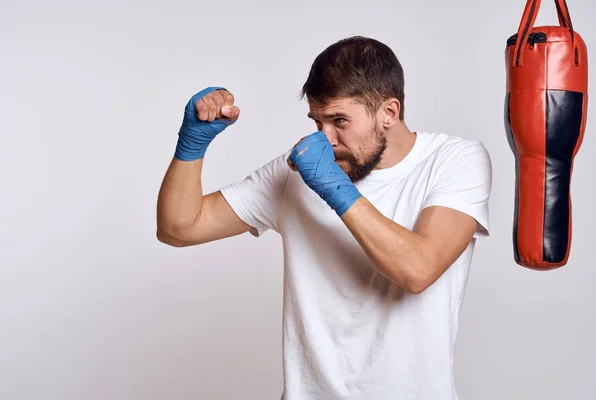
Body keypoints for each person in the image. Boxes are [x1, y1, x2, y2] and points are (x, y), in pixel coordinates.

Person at [156, 36, 492, 400]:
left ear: (389, 113)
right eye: (318, 121)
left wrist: (334, 188)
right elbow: (178, 229)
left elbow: (418, 269)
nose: (325, 137)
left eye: (339, 120)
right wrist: (192, 145)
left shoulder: (454, 161)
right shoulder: (298, 172)